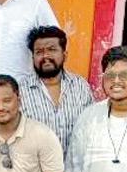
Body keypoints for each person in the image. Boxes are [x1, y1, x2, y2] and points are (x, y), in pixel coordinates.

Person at [20, 26, 94, 164]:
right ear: (33, 57)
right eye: (39, 52)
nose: (45, 56)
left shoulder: (81, 86)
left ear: (64, 55)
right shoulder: (20, 91)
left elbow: (92, 129)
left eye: (52, 50)